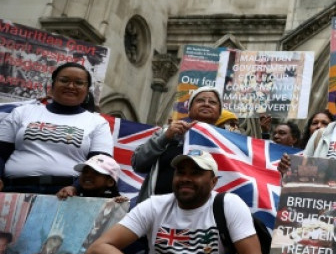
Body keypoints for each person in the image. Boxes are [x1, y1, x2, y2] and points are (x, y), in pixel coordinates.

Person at [74, 150, 270, 254]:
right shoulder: (154, 205)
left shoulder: (229, 204)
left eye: (196, 173)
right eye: (181, 172)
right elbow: (96, 251)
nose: (186, 178)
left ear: (213, 182)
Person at [0, 62, 113, 194]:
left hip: (66, 195)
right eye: (64, 80)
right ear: (52, 86)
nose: (71, 86)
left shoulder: (98, 123)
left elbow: (100, 164)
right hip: (13, 190)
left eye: (79, 83)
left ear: (87, 90)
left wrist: (76, 187)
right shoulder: (21, 112)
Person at [132, 86, 222, 202]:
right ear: (189, 110)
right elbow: (138, 163)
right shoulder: (168, 132)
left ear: (219, 112)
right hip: (156, 212)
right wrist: (165, 137)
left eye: (212, 102)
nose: (206, 104)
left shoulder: (228, 145)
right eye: (200, 100)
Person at [56, 154, 124, 199]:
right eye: (85, 171)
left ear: (110, 182)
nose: (88, 175)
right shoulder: (73, 194)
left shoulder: (117, 200)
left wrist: (119, 205)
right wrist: (63, 196)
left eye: (96, 173)